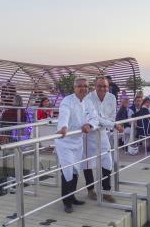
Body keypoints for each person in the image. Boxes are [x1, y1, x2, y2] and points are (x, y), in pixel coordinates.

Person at [55, 77, 99, 213]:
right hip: (65, 141)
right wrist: (63, 127)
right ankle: (66, 202)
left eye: (85, 86)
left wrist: (89, 124)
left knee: (75, 171)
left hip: (78, 141)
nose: (83, 88)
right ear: (74, 88)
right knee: (67, 171)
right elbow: (64, 114)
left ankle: (72, 197)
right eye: (80, 86)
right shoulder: (67, 101)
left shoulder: (88, 101)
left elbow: (94, 117)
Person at [83, 76, 123, 203]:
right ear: (95, 86)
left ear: (108, 86)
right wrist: (111, 124)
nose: (102, 88)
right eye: (100, 85)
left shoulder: (112, 97)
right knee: (88, 163)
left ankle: (106, 191)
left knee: (107, 161)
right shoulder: (88, 98)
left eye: (105, 86)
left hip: (103, 132)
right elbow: (94, 118)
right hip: (89, 134)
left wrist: (106, 123)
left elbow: (111, 117)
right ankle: (90, 190)